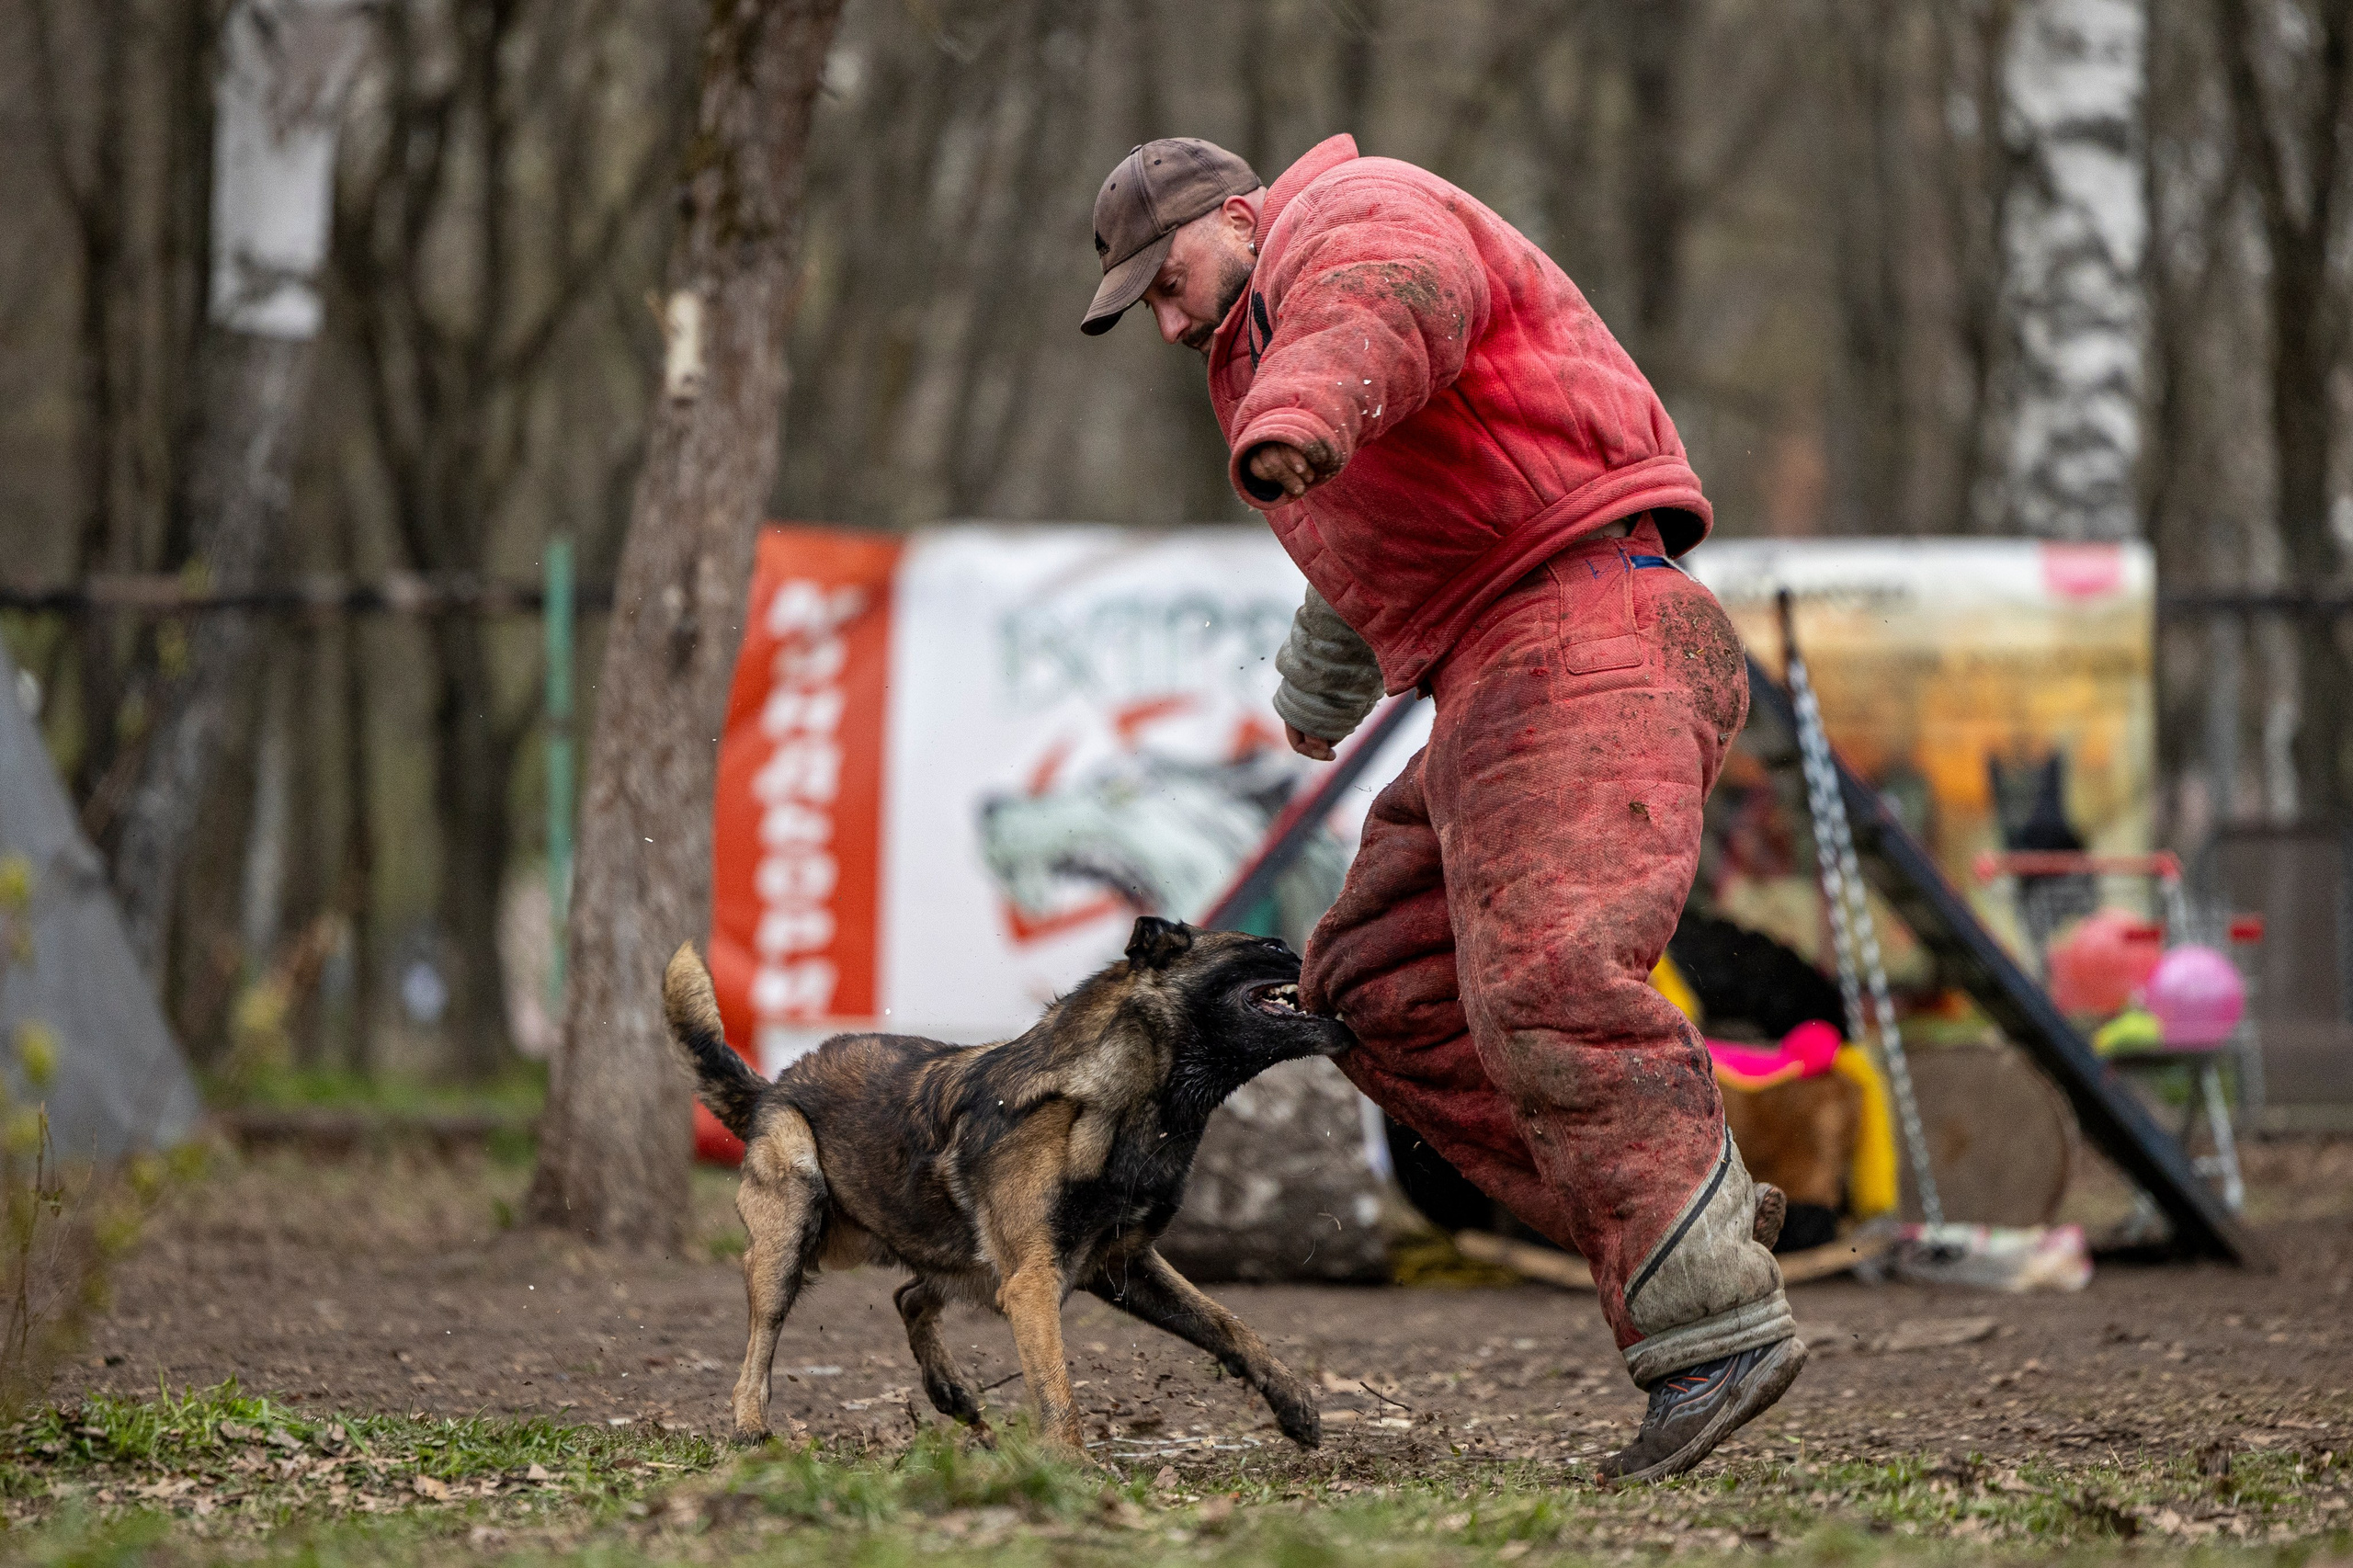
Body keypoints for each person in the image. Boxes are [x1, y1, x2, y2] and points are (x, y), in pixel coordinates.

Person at [1081, 135, 1804, 1483]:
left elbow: (1389, 300)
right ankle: (1680, 1207)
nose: (1167, 321)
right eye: (1144, 306)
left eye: (1169, 280)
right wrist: (1316, 680)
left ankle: (1711, 1325)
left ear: (1240, 215)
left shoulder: (1350, 216)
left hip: (1591, 622)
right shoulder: (1266, 340)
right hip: (1494, 660)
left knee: (1546, 975)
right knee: (1371, 983)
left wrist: (1292, 415)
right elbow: (1386, 507)